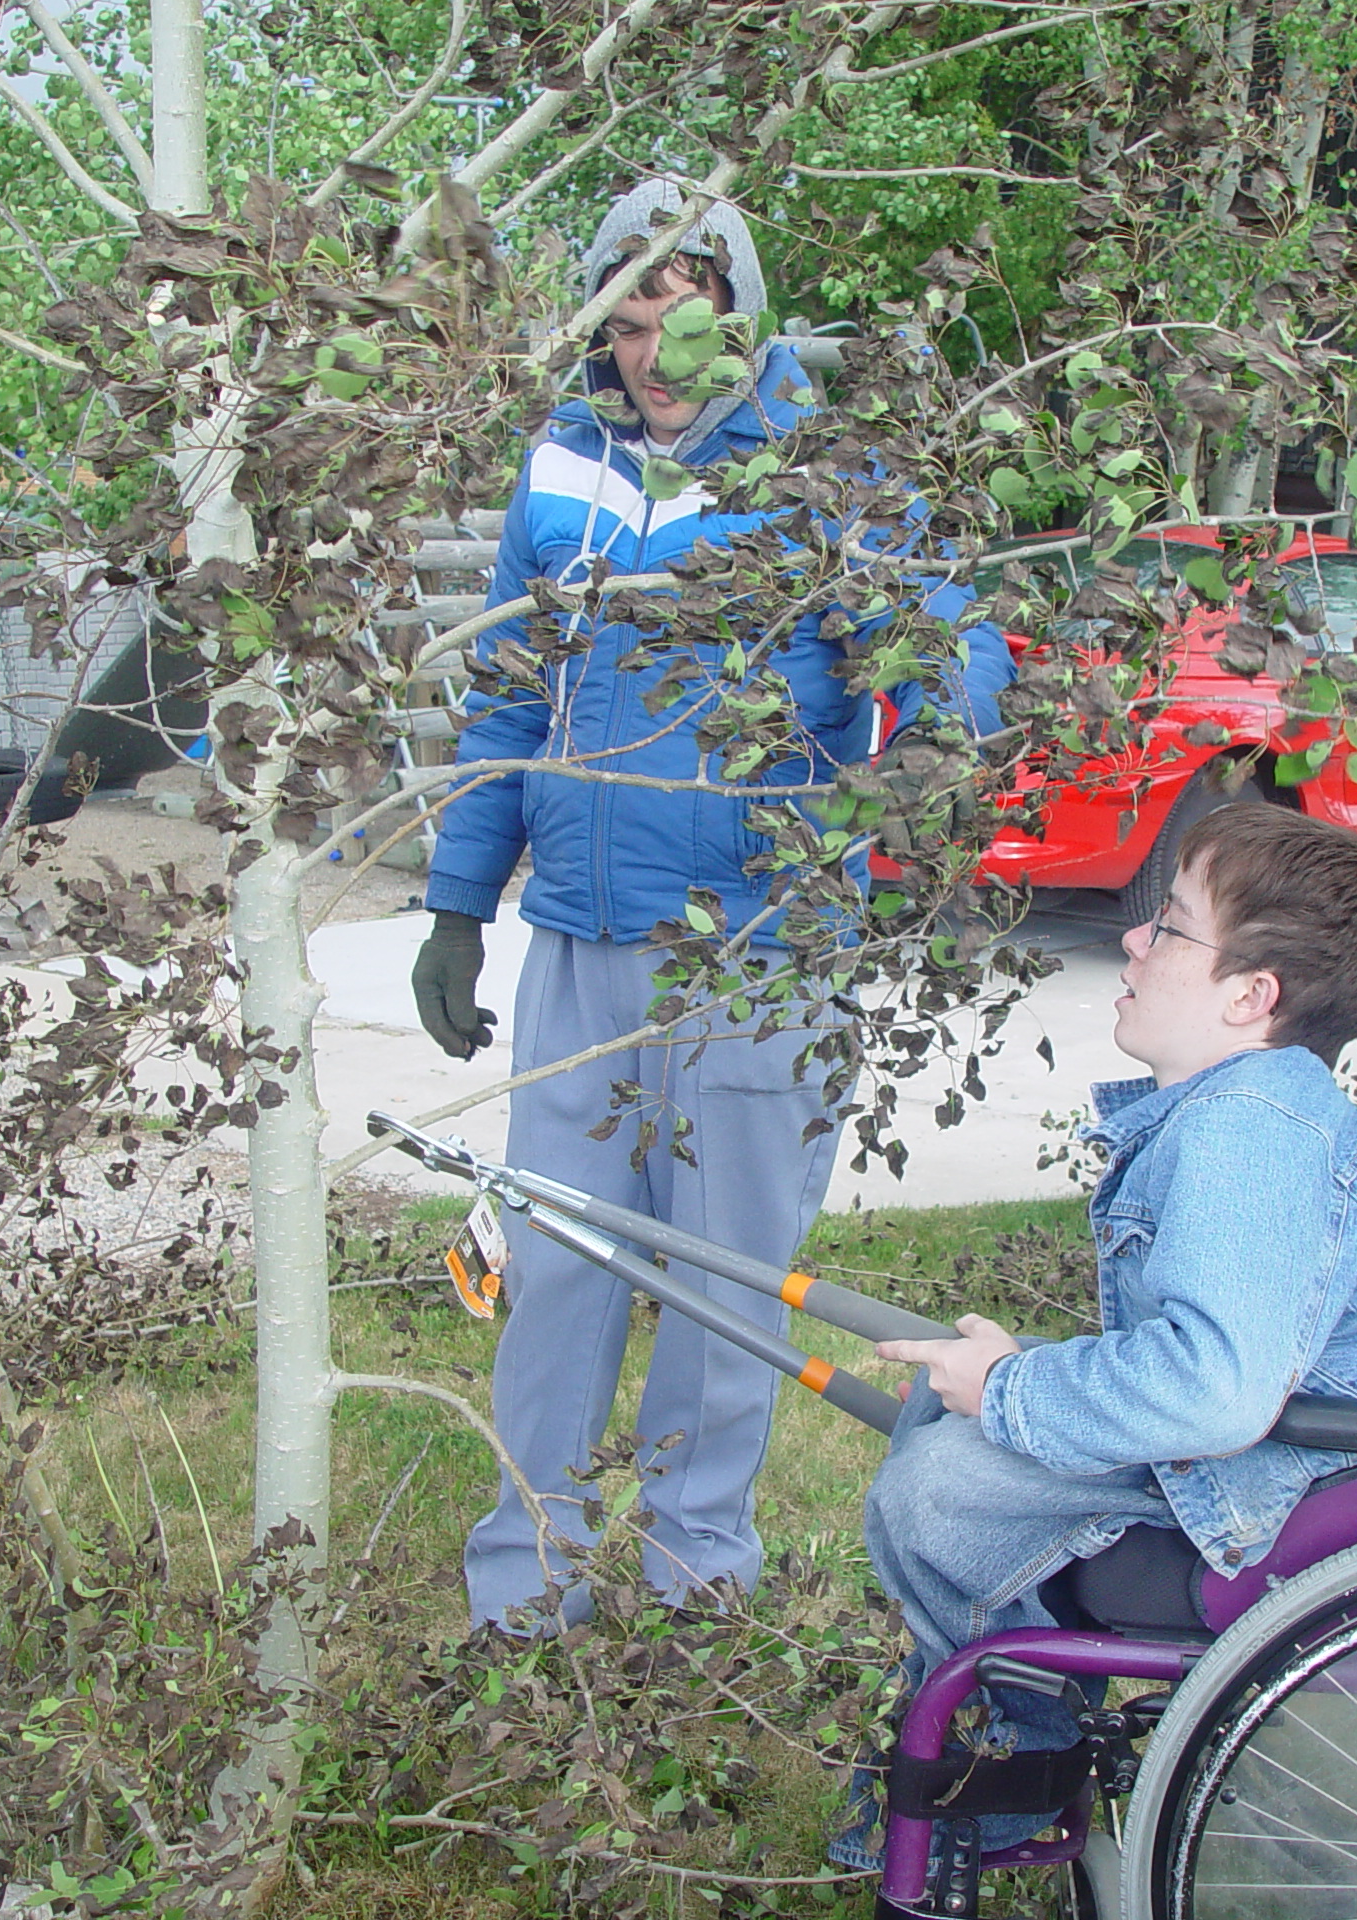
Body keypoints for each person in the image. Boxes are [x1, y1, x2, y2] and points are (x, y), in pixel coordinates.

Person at [413, 179, 1012, 1631]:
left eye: (681, 307)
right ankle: (525, 1593)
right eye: (623, 313)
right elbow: (508, 698)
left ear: (740, 311)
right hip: (582, 940)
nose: (648, 345)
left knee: (722, 1288)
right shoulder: (559, 467)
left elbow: (951, 640)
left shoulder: (824, 468)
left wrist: (936, 731)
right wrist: (457, 899)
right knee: (556, 1268)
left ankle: (697, 1585)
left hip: (756, 954)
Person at [839, 803, 1357, 1867]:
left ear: (1251, 997)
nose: (1132, 940)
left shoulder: (1249, 1133)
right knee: (947, 1417)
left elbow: (1214, 1393)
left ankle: (1012, 1766)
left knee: (939, 1491)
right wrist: (1019, 1382)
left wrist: (1018, 1390)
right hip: (1342, 1447)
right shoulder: (1247, 1107)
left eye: (1170, 926)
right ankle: (1008, 1751)